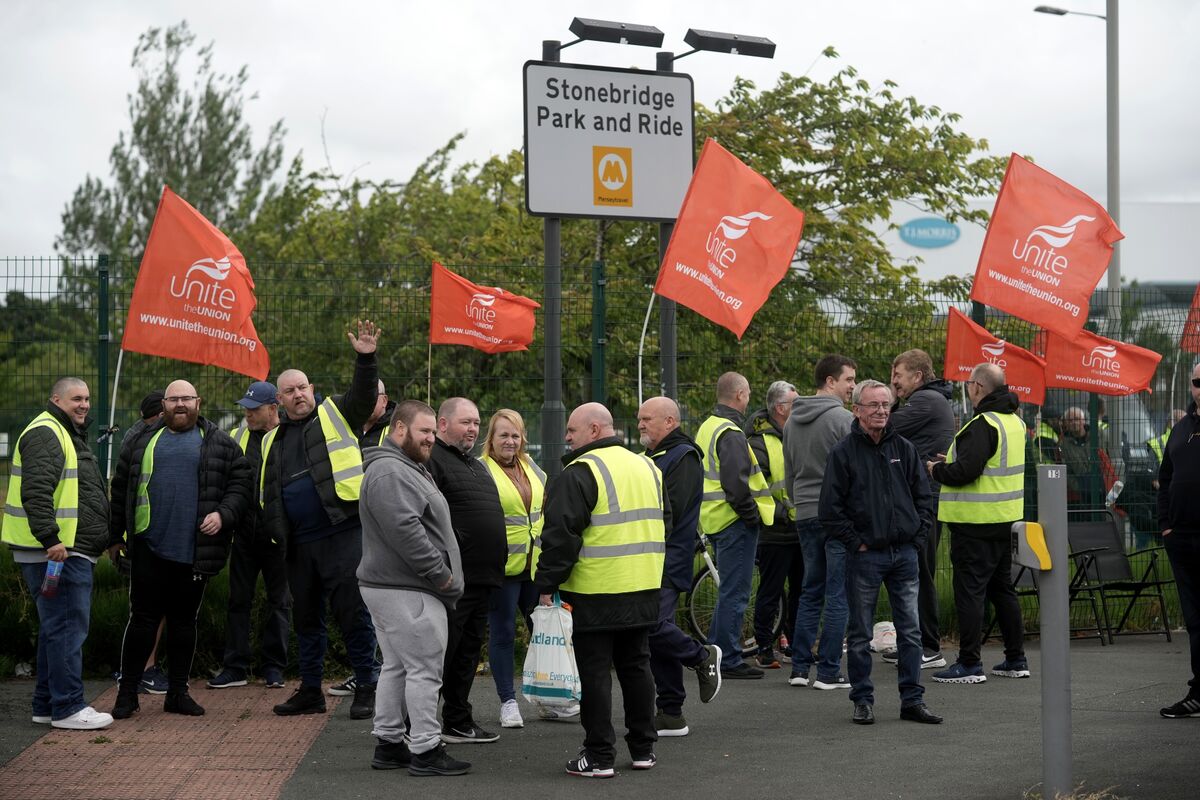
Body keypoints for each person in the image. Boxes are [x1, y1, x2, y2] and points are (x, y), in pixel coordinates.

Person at [535, 403, 667, 778]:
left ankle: (598, 756)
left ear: (594, 430)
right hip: (642, 586)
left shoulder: (579, 472)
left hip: (595, 589)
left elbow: (560, 537)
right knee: (637, 666)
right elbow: (665, 523)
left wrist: (546, 584)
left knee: (594, 673)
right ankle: (643, 749)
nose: (566, 436)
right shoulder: (649, 467)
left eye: (572, 430)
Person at [109, 380, 252, 719]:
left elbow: (241, 484)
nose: (181, 405)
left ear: (198, 402)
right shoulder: (141, 440)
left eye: (187, 398)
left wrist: (223, 514)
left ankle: (177, 693)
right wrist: (115, 537)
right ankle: (128, 693)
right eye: (174, 400)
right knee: (142, 621)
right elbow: (120, 490)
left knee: (184, 623)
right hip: (148, 547)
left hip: (195, 551)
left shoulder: (218, 442)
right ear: (164, 405)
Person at [261, 320, 382, 719]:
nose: (298, 395)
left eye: (303, 388)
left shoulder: (336, 414)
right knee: (307, 620)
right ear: (279, 399)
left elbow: (365, 398)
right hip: (299, 544)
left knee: (353, 614)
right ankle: (310, 690)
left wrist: (366, 359)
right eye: (290, 391)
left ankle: (368, 684)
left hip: (342, 533)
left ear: (312, 390)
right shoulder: (271, 439)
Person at [358, 399, 471, 776]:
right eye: (424, 431)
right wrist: (442, 575)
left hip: (396, 586)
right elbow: (406, 531)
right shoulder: (392, 471)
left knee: (398, 667)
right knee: (423, 670)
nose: (430, 440)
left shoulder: (404, 467)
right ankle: (425, 749)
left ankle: (389, 744)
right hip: (409, 588)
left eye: (433, 433)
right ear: (399, 428)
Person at [821, 379, 942, 726]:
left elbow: (924, 497)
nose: (881, 411)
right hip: (865, 557)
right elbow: (830, 509)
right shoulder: (843, 453)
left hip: (904, 554)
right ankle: (862, 699)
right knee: (860, 634)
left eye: (886, 405)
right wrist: (857, 541)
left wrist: (916, 538)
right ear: (856, 409)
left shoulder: (904, 448)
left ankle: (912, 700)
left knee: (911, 631)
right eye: (873, 405)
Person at [3, 377, 113, 730]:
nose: (83, 405)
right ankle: (68, 707)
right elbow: (36, 491)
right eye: (75, 399)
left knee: (56, 628)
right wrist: (51, 539)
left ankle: (47, 705)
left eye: (86, 399)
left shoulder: (61, 431)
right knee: (67, 628)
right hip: (58, 551)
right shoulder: (47, 432)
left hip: (61, 549)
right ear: (56, 399)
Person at [930, 363, 1029, 685]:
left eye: (969, 384)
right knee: (1002, 589)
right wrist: (956, 464)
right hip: (1005, 520)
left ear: (977, 387)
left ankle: (970, 663)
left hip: (974, 523)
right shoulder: (1014, 422)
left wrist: (936, 470)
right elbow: (987, 465)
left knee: (970, 592)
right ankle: (1016, 658)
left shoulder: (982, 423)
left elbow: (966, 472)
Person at [637, 396, 723, 738]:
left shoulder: (683, 458)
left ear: (670, 422)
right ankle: (671, 713)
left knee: (652, 625)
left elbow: (668, 513)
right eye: (639, 418)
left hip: (667, 559)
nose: (640, 424)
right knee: (658, 634)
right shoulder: (653, 457)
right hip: (650, 557)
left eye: (647, 419)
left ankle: (701, 656)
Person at [427, 397, 507, 744]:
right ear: (442, 424)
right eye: (465, 422)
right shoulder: (433, 461)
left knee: (467, 654)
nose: (473, 429)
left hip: (483, 579)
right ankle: (419, 724)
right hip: (452, 581)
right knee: (441, 653)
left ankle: (457, 719)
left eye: (476, 422)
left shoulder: (477, 465)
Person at [208, 381, 291, 690]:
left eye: (254, 410)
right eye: (245, 409)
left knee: (279, 601)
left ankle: (274, 668)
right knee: (238, 601)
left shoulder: (288, 437)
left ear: (274, 408)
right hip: (243, 535)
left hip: (277, 537)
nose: (248, 415)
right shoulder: (236, 437)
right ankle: (235, 667)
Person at [783, 354, 857, 690]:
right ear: (830, 381)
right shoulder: (843, 420)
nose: (852, 387)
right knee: (837, 592)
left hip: (806, 512)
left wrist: (799, 502)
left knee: (810, 591)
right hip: (837, 515)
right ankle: (828, 671)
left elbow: (788, 472)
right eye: (849, 380)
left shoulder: (791, 421)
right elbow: (854, 471)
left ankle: (799, 668)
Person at [695, 372, 773, 679]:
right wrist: (751, 516)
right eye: (749, 393)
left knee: (729, 590)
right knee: (735, 593)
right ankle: (727, 660)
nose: (750, 398)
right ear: (739, 395)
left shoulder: (708, 426)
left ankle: (715, 653)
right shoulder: (730, 431)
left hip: (715, 518)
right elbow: (736, 485)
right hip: (733, 521)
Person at [883, 349, 955, 670]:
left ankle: (929, 646)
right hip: (917, 498)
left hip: (924, 501)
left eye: (898, 376)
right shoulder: (925, 400)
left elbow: (885, 424)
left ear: (918, 376)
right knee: (910, 570)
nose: (893, 382)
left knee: (920, 571)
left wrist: (884, 400)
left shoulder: (926, 402)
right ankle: (912, 642)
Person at [479, 409, 547, 729]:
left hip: (535, 564)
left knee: (544, 632)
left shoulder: (531, 467)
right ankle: (508, 701)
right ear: (490, 439)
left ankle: (551, 696)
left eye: (515, 435)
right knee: (504, 632)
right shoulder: (481, 470)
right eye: (503, 435)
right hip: (502, 568)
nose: (510, 441)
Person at [745, 380, 802, 669]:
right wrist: (784, 513)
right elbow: (760, 488)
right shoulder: (759, 442)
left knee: (801, 590)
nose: (800, 407)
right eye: (795, 403)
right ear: (780, 408)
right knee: (771, 590)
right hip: (775, 531)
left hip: (799, 528)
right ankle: (765, 647)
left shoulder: (797, 433)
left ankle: (797, 645)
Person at [117, 389, 169, 695]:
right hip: (143, 541)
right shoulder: (142, 441)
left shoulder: (137, 436)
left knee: (148, 609)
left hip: (147, 538)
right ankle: (141, 671)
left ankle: (138, 668)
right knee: (146, 610)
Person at [1157, 363, 1200, 719]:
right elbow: (1164, 479)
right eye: (1197, 382)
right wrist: (1165, 525)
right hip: (1182, 539)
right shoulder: (1180, 429)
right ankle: (1199, 691)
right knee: (1195, 619)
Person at [1059, 406, 1096, 504]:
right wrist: (1079, 486)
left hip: (1099, 488)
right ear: (1066, 423)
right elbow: (1065, 470)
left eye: (1077, 419)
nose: (1074, 422)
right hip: (1080, 493)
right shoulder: (1063, 444)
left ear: (1083, 421)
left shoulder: (1096, 437)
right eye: (1070, 420)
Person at [358, 380, 394, 447]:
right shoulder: (349, 426)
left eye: (370, 397)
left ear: (384, 401)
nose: (364, 402)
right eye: (360, 397)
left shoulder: (395, 431)